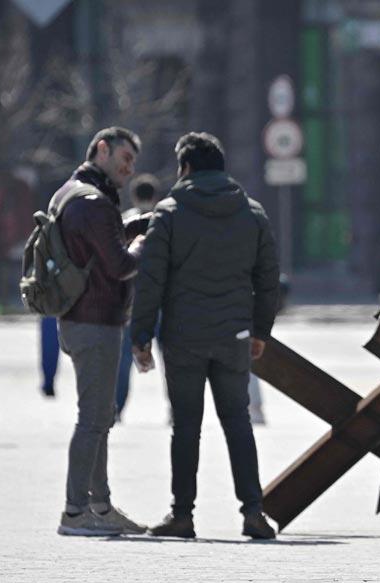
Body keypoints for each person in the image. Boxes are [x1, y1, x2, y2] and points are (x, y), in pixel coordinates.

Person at [130, 132, 281, 540]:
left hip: (183, 337)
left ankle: (182, 516)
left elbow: (151, 279)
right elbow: (268, 280)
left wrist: (141, 335)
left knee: (186, 426)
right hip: (234, 335)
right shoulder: (251, 213)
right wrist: (261, 330)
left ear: (186, 167)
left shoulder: (169, 212)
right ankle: (253, 513)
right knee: (238, 422)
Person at [54, 126, 149, 537]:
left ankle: (100, 505)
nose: (129, 170)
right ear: (102, 149)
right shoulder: (93, 203)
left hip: (81, 317)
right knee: (93, 419)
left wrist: (137, 224)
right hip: (94, 321)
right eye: (125, 159)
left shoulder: (73, 193)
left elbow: (95, 248)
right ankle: (75, 512)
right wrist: (145, 243)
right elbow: (119, 265)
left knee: (99, 415)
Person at [114, 173, 161, 420]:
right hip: (161, 300)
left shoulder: (125, 222)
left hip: (131, 299)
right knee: (171, 358)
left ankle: (117, 408)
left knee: (123, 358)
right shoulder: (164, 222)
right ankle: (175, 408)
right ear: (155, 196)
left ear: (133, 196)